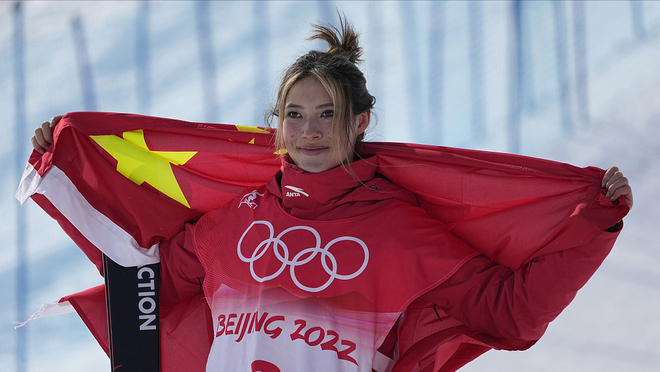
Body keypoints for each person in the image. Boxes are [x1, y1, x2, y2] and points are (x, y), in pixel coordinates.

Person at [31, 16, 632, 372]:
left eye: (328, 114)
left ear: (361, 122)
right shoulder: (234, 222)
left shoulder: (399, 231)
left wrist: (593, 228)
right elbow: (147, 287)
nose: (310, 131)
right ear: (277, 124)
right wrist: (73, 174)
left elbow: (511, 313)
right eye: (295, 114)